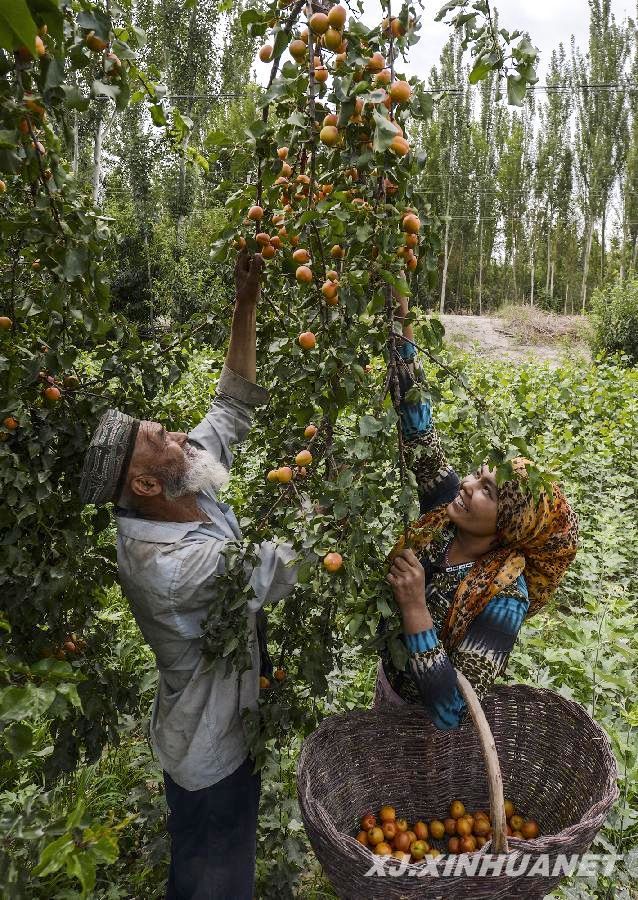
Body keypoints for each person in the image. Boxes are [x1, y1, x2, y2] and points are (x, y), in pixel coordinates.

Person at [79, 250, 296, 899]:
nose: (180, 434)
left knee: (200, 869)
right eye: (162, 436)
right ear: (145, 480)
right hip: (212, 753)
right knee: (216, 875)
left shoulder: (182, 481)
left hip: (221, 725)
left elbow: (230, 407)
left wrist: (246, 302)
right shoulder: (167, 566)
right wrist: (336, 493)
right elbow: (277, 564)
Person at [377, 293, 579, 727]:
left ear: (506, 526)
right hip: (389, 695)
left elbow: (454, 709)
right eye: (477, 474)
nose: (466, 485)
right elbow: (417, 425)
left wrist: (414, 606)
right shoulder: (446, 513)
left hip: (431, 736)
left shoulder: (505, 598)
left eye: (486, 489)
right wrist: (401, 310)